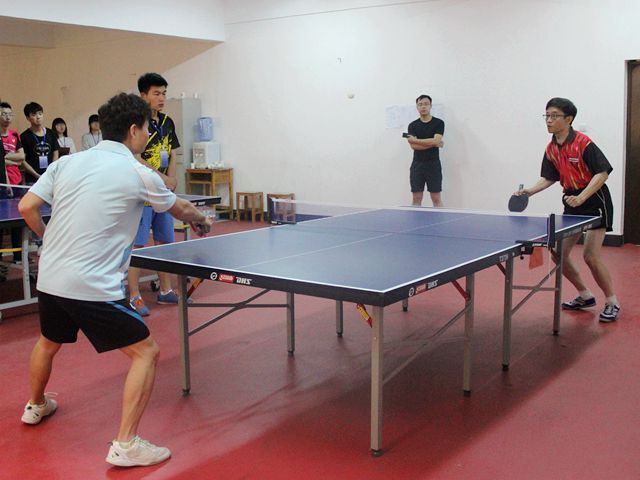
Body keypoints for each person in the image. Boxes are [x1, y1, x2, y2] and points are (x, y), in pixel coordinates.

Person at [18, 92, 213, 467]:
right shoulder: (138, 172)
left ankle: (36, 405)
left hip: (51, 277)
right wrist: (201, 220)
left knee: (48, 341)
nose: (149, 136)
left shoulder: (67, 162)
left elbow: (28, 206)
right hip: (91, 285)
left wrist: (48, 238)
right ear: (134, 130)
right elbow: (180, 208)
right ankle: (126, 444)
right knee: (146, 352)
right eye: (147, 129)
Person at [516, 97, 619, 322]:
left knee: (590, 256)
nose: (549, 120)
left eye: (554, 116)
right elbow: (549, 177)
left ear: (569, 119)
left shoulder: (583, 143)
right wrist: (529, 192)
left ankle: (612, 301)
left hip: (595, 200)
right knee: (558, 252)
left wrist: (582, 197)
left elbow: (602, 173)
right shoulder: (551, 148)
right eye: (547, 116)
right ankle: (585, 295)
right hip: (572, 201)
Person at [127, 73, 181, 316]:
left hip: (162, 193)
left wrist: (172, 178)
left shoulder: (167, 121)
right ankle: (134, 296)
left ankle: (166, 290)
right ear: (143, 95)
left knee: (165, 242)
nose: (162, 98)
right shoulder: (137, 123)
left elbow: (173, 152)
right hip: (142, 194)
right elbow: (136, 157)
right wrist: (162, 179)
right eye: (156, 93)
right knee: (138, 246)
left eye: (164, 93)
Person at [406, 94, 445, 207]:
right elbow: (414, 147)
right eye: (420, 104)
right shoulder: (412, 125)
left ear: (430, 105)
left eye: (426, 104)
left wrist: (415, 140)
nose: (423, 107)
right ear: (417, 107)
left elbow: (436, 140)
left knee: (436, 198)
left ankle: (439, 218)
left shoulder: (439, 123)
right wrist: (434, 143)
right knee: (416, 198)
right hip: (417, 165)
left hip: (433, 164)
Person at [1, 101, 26, 261]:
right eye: (4, 114)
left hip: (16, 182)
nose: (7, 117)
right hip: (3, 183)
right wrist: (11, 159)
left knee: (18, 221)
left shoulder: (15, 134)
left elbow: (22, 157)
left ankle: (18, 257)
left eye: (10, 114)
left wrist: (5, 158)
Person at [19, 102, 59, 184]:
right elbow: (22, 160)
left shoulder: (50, 133)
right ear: (28, 118)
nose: (38, 117)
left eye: (40, 114)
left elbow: (55, 153)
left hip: (50, 177)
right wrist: (37, 175)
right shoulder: (24, 136)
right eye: (34, 115)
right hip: (32, 179)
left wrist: (50, 171)